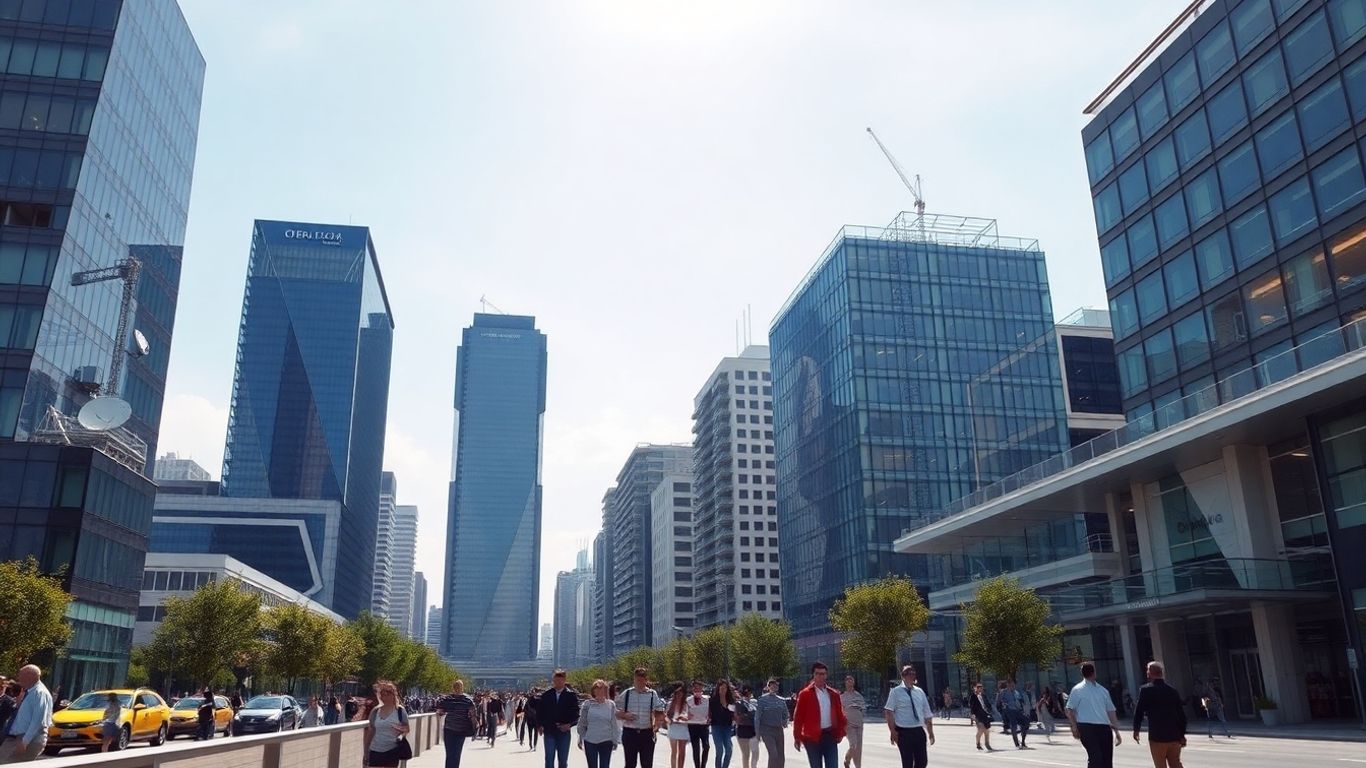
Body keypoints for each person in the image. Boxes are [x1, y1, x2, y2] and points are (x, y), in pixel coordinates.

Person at [1065, 662, 1123, 768]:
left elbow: (1110, 710)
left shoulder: (1101, 690)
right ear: (1094, 673)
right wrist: (1074, 726)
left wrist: (1116, 731)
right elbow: (1069, 709)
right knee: (1096, 758)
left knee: (1106, 760)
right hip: (1087, 728)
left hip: (1103, 728)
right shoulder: (1079, 690)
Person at [792, 661, 846, 768]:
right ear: (813, 675)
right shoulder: (805, 694)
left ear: (826, 675)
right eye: (817, 674)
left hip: (830, 736)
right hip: (811, 738)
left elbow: (840, 715)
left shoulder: (833, 694)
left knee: (833, 765)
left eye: (822, 674)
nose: (820, 676)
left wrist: (840, 733)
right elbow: (798, 717)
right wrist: (797, 737)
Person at [1132, 662, 1187, 768]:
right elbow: (1181, 715)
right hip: (1174, 736)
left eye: (1148, 671)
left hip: (1157, 736)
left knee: (1160, 765)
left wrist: (1136, 729)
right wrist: (1182, 734)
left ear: (1150, 673)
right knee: (1176, 763)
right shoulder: (1172, 691)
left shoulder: (1146, 690)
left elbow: (1139, 711)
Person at [883, 665, 934, 768]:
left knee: (922, 762)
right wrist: (893, 731)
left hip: (919, 731)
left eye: (913, 673)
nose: (912, 675)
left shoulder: (919, 692)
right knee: (907, 762)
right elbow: (889, 712)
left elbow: (927, 713)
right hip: (903, 732)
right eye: (909, 673)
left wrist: (930, 732)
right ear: (903, 676)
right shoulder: (895, 692)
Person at [615, 667, 665, 768]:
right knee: (630, 764)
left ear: (646, 680)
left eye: (642, 680)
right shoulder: (627, 693)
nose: (640, 683)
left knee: (647, 764)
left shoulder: (652, 694)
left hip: (647, 733)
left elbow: (660, 710)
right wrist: (624, 715)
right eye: (637, 680)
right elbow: (614, 710)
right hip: (630, 733)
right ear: (634, 679)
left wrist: (657, 725)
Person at [1, 664, 52, 763]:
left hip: (27, 739)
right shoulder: (29, 692)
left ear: (29, 676)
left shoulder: (40, 693)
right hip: (16, 738)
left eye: (20, 675)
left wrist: (25, 742)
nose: (18, 678)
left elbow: (38, 721)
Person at [538, 669, 581, 768]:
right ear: (553, 680)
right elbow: (540, 712)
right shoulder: (547, 695)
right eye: (556, 680)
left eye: (560, 680)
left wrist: (569, 724)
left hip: (564, 732)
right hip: (549, 731)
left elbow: (576, 714)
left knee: (562, 760)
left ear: (564, 680)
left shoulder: (571, 695)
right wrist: (540, 725)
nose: (558, 682)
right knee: (549, 759)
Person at [365, 681, 410, 768]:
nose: (384, 697)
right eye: (382, 694)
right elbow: (370, 731)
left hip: (392, 750)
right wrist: (366, 751)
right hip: (375, 750)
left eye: (387, 694)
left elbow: (407, 729)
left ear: (393, 695)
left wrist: (401, 735)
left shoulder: (400, 711)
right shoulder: (375, 711)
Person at [437, 679, 478, 768]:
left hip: (449, 729)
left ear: (453, 687)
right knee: (456, 753)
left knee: (449, 753)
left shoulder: (447, 699)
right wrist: (475, 729)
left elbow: (440, 712)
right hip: (461, 730)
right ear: (462, 688)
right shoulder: (468, 700)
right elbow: (473, 716)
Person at [578, 680, 619, 768]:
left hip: (606, 740)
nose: (600, 692)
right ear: (593, 691)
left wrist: (615, 740)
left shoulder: (611, 705)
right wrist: (581, 738)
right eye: (597, 689)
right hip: (590, 741)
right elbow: (582, 723)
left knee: (604, 766)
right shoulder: (587, 704)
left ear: (605, 691)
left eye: (602, 689)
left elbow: (614, 723)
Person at [754, 679, 788, 768]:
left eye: (775, 685)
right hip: (766, 730)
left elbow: (786, 714)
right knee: (773, 754)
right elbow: (757, 717)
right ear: (768, 687)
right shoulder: (762, 700)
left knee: (781, 756)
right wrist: (757, 733)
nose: (774, 687)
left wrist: (784, 722)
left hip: (778, 730)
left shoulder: (781, 700)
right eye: (771, 685)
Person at [839, 676, 865, 768]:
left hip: (859, 724)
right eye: (847, 680)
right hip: (849, 725)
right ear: (845, 683)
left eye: (851, 680)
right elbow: (839, 711)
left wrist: (861, 718)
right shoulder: (841, 697)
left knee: (858, 748)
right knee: (853, 745)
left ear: (854, 682)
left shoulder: (859, 696)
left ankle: (858, 766)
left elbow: (863, 709)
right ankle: (847, 759)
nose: (849, 681)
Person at [710, 679, 737, 768]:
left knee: (729, 750)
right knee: (720, 750)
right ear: (718, 689)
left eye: (725, 688)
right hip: (716, 727)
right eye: (721, 688)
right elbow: (709, 712)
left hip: (727, 727)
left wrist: (725, 703)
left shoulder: (731, 699)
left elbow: (733, 710)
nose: (723, 690)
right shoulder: (713, 700)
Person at [685, 680, 710, 768]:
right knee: (696, 748)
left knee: (706, 746)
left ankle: (703, 766)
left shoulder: (707, 699)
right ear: (692, 689)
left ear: (702, 688)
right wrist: (686, 714)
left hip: (704, 725)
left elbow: (711, 711)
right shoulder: (688, 700)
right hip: (693, 725)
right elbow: (683, 711)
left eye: (699, 687)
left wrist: (710, 717)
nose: (697, 689)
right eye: (695, 687)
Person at [994, 680, 1027, 750]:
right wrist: (1004, 708)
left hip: (1018, 710)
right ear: (1008, 685)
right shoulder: (1003, 692)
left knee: (1025, 723)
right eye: (1012, 685)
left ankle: (1023, 741)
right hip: (1009, 710)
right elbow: (999, 702)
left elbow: (1020, 700)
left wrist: (1022, 703)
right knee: (1013, 726)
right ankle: (1017, 743)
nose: (1013, 686)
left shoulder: (1016, 692)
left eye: (1014, 685)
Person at [665, 683, 692, 768]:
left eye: (680, 693)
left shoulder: (687, 704)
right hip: (673, 728)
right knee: (674, 751)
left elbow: (690, 716)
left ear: (684, 694)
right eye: (677, 693)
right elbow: (665, 715)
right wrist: (669, 721)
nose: (678, 695)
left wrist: (686, 718)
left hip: (683, 728)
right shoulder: (670, 703)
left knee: (682, 751)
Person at [734, 685, 758, 768]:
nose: (748, 693)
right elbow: (740, 716)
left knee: (755, 753)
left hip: (753, 730)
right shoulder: (739, 703)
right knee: (746, 754)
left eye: (749, 691)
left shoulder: (755, 702)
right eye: (746, 691)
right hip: (743, 730)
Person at [968, 683, 993, 752]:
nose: (980, 688)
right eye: (978, 687)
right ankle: (978, 743)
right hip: (977, 715)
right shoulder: (973, 696)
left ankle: (987, 743)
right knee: (981, 729)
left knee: (987, 730)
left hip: (985, 714)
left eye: (981, 687)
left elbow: (987, 703)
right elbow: (971, 706)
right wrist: (973, 715)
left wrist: (990, 709)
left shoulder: (983, 696)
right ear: (975, 688)